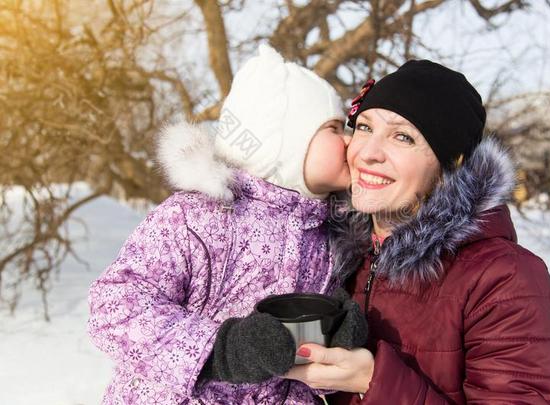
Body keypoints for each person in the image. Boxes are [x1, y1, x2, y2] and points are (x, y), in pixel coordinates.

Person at [87, 45, 366, 405]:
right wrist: (223, 349)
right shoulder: (199, 216)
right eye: (333, 128)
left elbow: (292, 361)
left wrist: (333, 339)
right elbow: (114, 306)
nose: (349, 140)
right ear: (284, 144)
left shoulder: (330, 236)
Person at [283, 59, 550, 404]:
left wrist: (374, 382)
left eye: (403, 137)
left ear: (450, 166)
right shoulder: (329, 258)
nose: (368, 153)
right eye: (365, 127)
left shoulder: (506, 278)